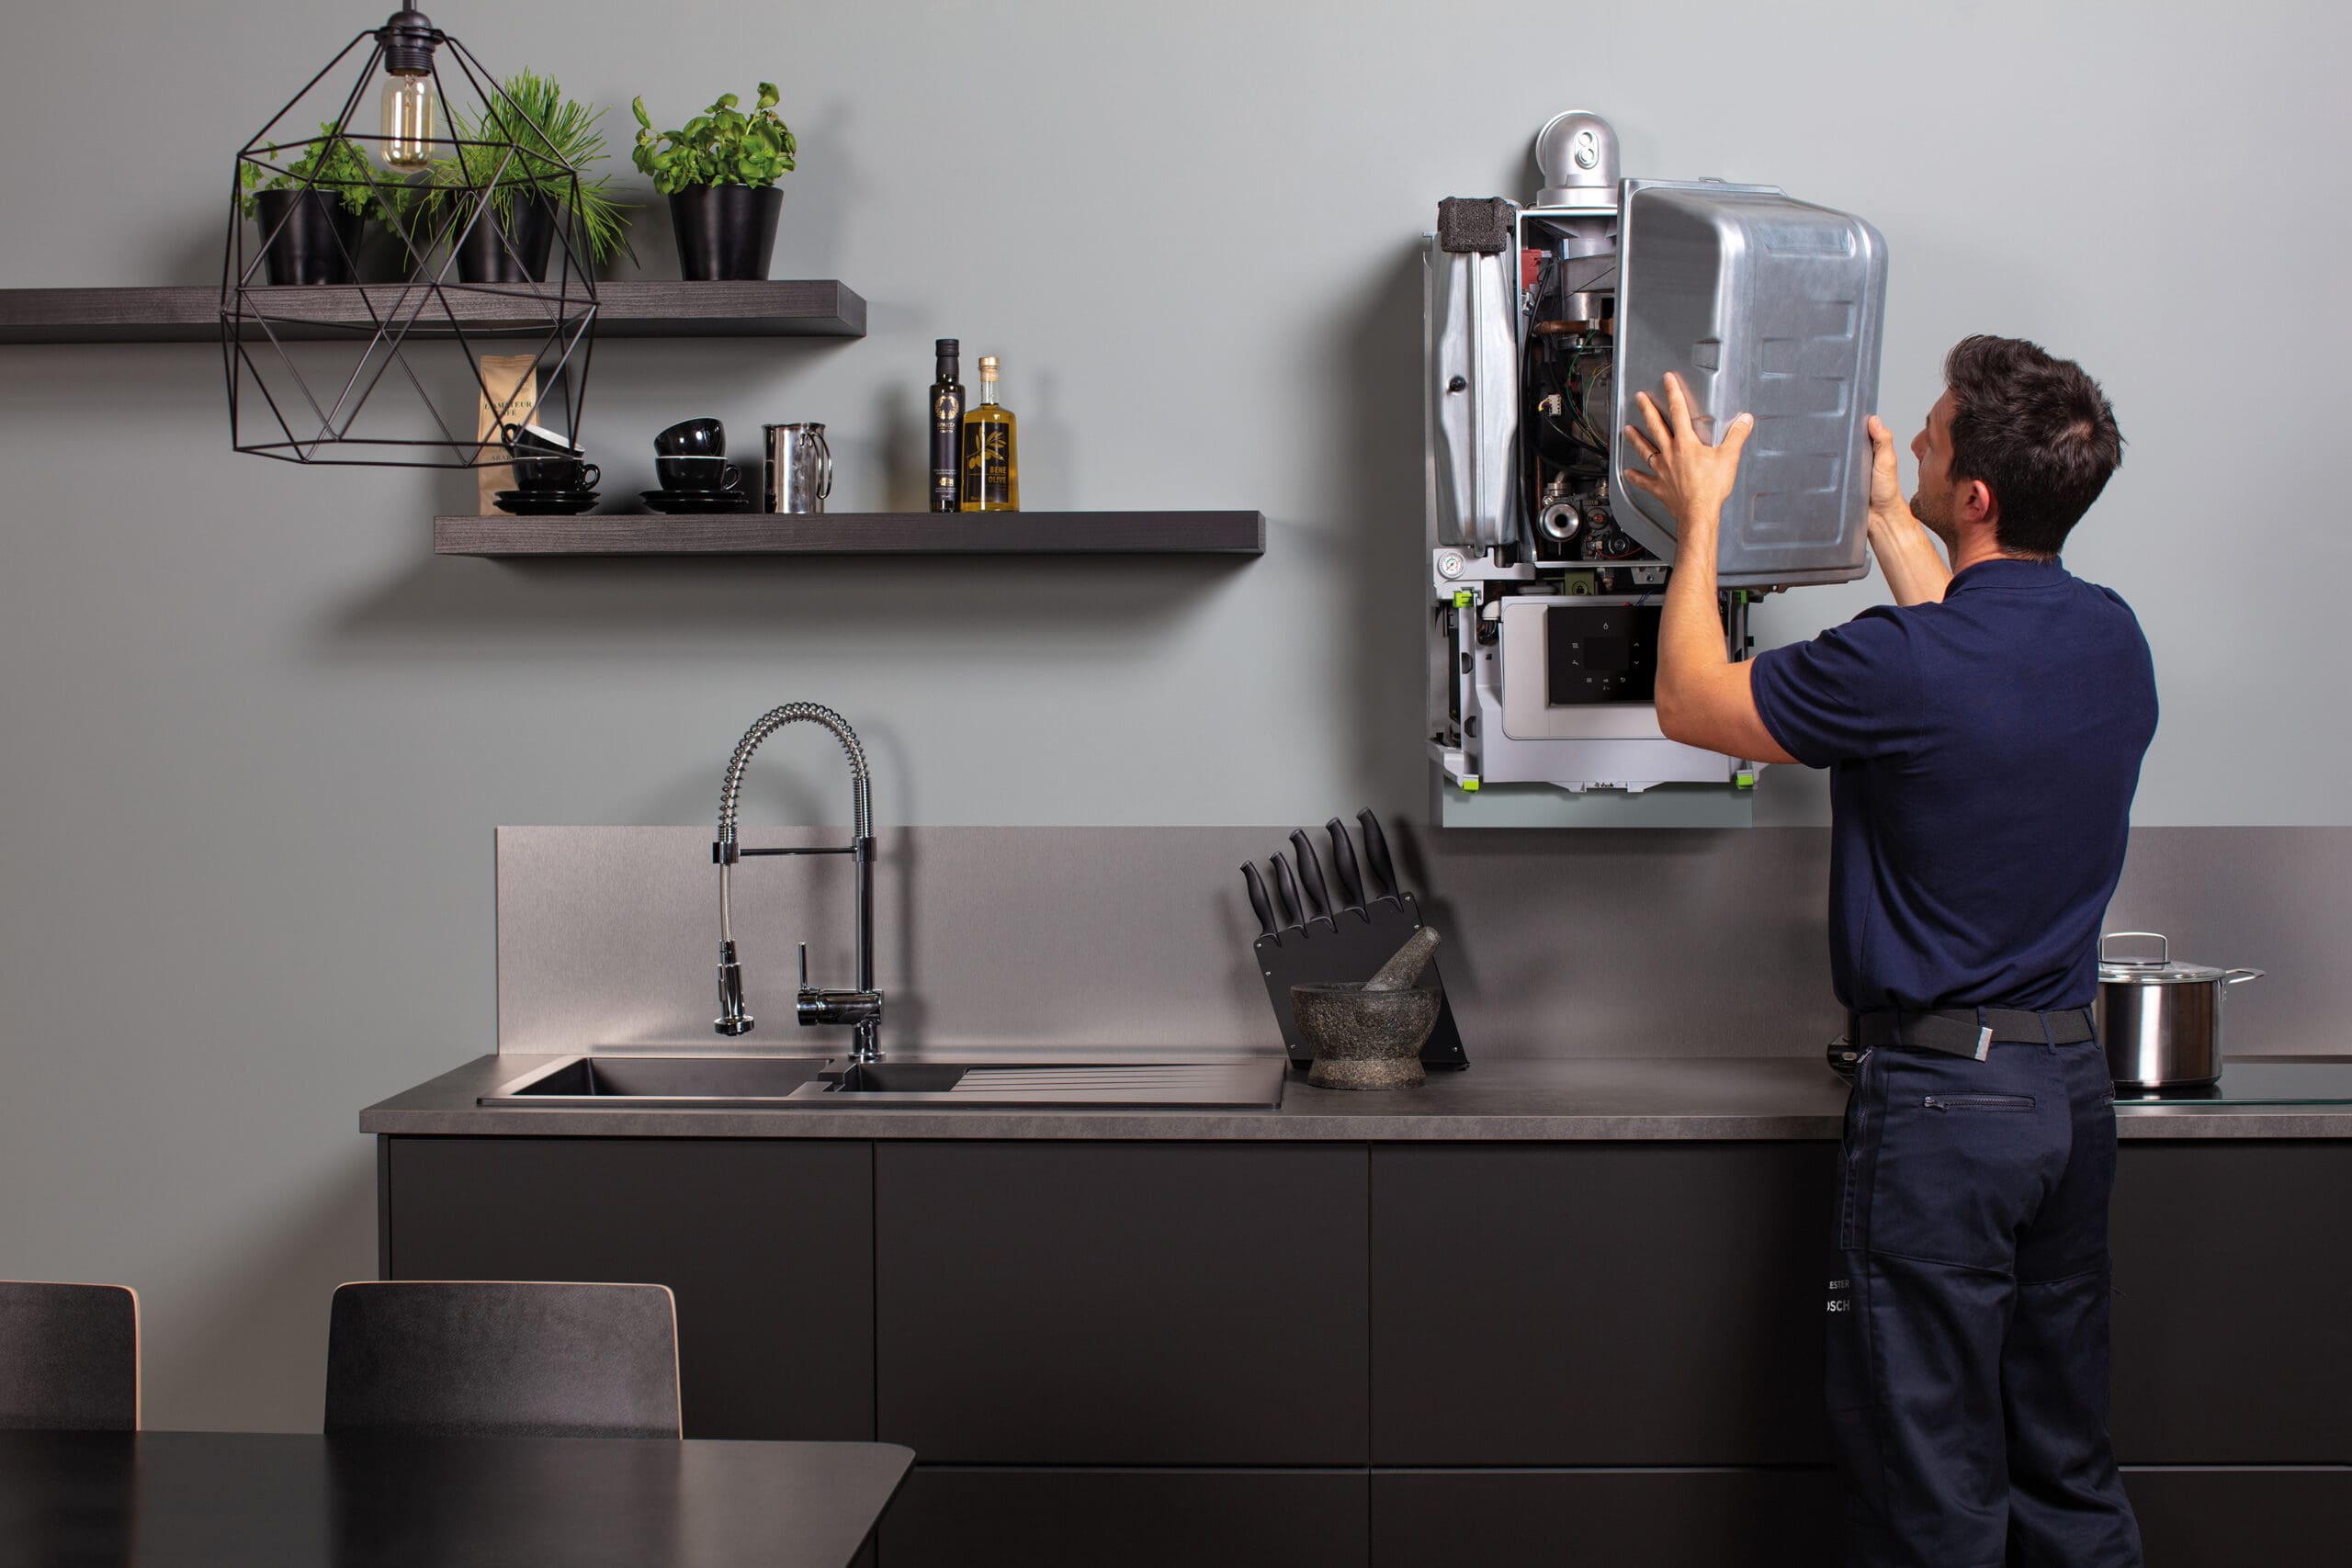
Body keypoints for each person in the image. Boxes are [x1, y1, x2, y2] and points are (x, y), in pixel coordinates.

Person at [1622, 336, 2154, 1567]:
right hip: (2068, 1095)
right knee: (2063, 1465)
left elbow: (1695, 702)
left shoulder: (1900, 667)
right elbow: (1969, 653)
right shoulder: (2108, 641)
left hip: (1946, 1114)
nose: (1911, 438)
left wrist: (1696, 516)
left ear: (1973, 495)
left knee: (1933, 1487)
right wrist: (1880, 520)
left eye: (1931, 434)